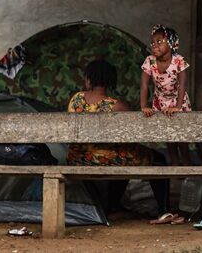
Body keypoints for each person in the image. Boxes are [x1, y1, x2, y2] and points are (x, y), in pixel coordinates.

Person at [67, 59, 169, 218]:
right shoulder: (117, 106)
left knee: (123, 156)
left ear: (88, 79)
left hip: (77, 157)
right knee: (157, 159)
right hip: (105, 159)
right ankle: (164, 210)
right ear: (110, 82)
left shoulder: (75, 99)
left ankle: (113, 206)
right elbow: (135, 134)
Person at [140, 25, 192, 167]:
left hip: (179, 101)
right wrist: (144, 106)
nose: (154, 45)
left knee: (181, 137)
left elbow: (182, 85)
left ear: (171, 44)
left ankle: (186, 165)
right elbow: (144, 85)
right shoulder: (150, 61)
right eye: (153, 42)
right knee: (169, 136)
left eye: (159, 42)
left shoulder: (179, 61)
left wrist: (178, 106)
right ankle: (175, 165)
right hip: (161, 101)